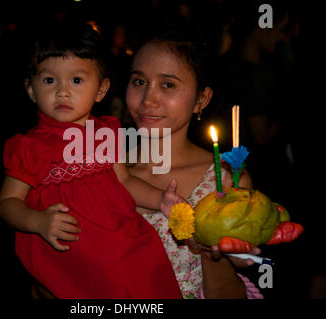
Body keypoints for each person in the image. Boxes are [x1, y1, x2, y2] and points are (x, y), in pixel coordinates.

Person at [0, 23, 185, 299]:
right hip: (70, 244)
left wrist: (160, 200)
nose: (63, 91)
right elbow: (7, 203)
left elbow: (124, 181)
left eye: (76, 80)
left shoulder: (107, 131)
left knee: (148, 263)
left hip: (116, 235)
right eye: (49, 80)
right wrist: (37, 221)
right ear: (31, 89)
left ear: (101, 89)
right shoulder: (30, 146)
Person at [125, 25, 263, 299]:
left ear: (201, 99)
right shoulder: (102, 167)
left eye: (168, 84)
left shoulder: (222, 181)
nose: (147, 99)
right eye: (139, 81)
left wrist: (209, 249)